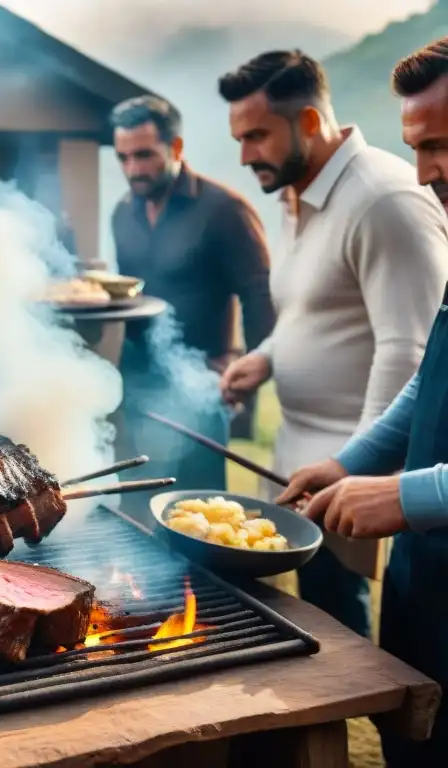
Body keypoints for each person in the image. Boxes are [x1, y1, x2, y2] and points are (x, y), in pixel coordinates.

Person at [216, 50, 448, 640]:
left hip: (389, 490)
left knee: (349, 634)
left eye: (258, 136)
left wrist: (388, 485)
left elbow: (405, 347)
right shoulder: (301, 199)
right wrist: (350, 464)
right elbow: (424, 371)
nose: (423, 172)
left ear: (312, 123)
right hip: (359, 487)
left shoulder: (387, 201)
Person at [277, 38, 448, 766]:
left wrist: (411, 495)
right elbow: (430, 382)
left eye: (441, 146)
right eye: (418, 148)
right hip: (428, 584)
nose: (426, 174)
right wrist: (349, 462)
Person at [108, 95, 275, 523]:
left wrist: (249, 377)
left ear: (176, 148)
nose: (133, 169)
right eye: (124, 157)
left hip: (202, 388)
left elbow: (260, 297)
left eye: (144, 155)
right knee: (135, 511)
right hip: (137, 388)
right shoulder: (122, 214)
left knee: (197, 517)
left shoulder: (223, 210)